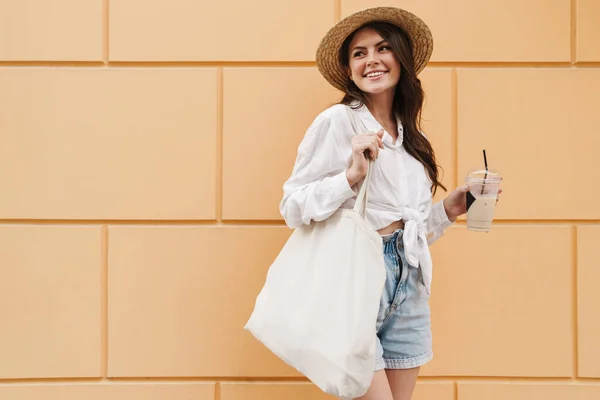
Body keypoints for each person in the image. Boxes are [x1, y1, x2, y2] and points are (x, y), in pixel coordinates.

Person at [278, 7, 471, 400]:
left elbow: (408, 230)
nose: (372, 60)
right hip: (357, 280)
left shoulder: (411, 138)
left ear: (400, 58)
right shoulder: (338, 122)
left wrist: (447, 211)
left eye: (382, 48)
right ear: (349, 69)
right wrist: (349, 177)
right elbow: (292, 207)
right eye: (359, 53)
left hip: (410, 286)